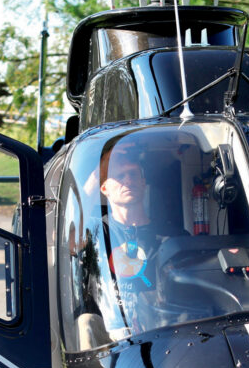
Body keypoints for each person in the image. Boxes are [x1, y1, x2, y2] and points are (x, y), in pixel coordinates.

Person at [77, 140, 185, 347]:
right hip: (109, 336)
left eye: (134, 174)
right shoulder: (96, 231)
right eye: (119, 176)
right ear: (104, 188)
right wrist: (103, 163)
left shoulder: (172, 235)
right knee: (86, 322)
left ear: (144, 182)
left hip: (163, 331)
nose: (128, 180)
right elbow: (70, 227)